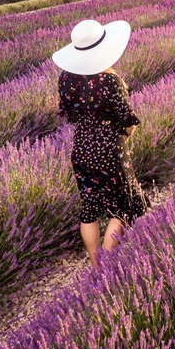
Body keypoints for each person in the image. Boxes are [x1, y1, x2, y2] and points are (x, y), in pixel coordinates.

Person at [52, 19, 150, 269]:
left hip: (82, 148)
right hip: (110, 149)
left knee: (90, 206)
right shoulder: (111, 81)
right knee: (123, 205)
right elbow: (128, 120)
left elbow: (70, 115)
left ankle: (96, 267)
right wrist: (124, 135)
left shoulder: (66, 79)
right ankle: (108, 267)